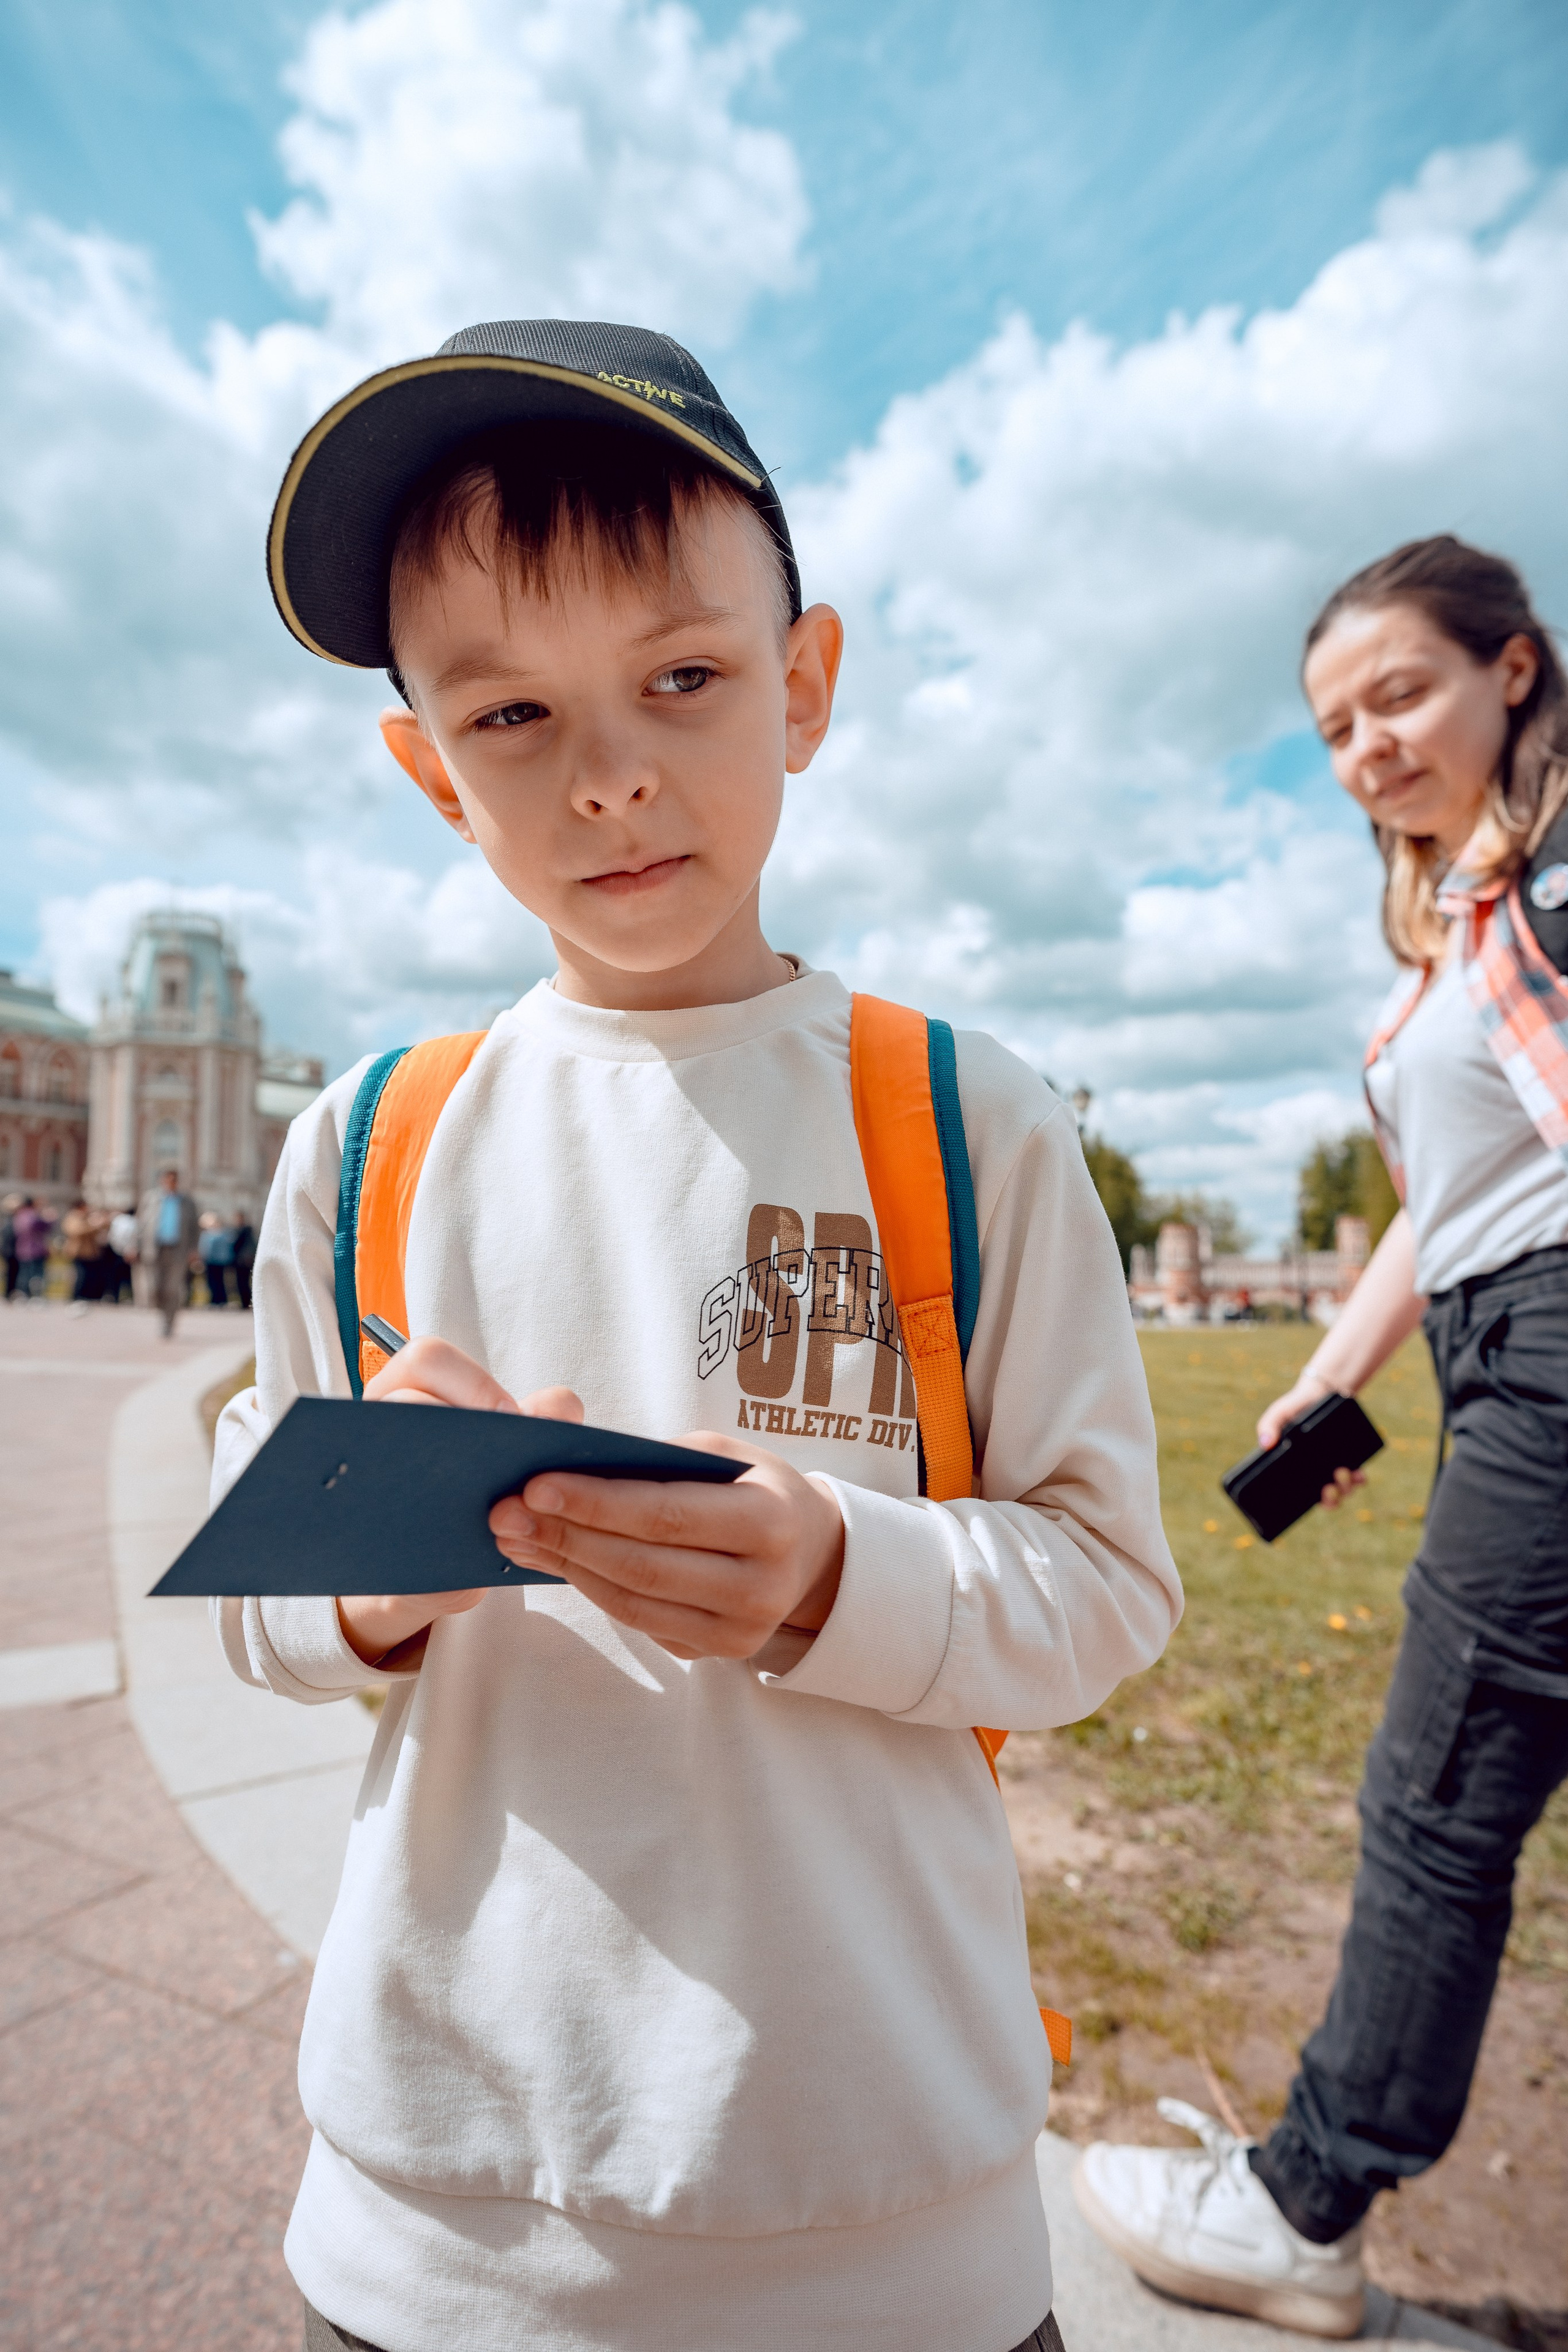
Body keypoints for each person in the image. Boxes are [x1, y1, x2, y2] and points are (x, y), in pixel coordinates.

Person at [213, 318, 1183, 2352]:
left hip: (889, 2219)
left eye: (682, 677)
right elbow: (260, 1597)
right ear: (427, 767)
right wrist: (370, 1585)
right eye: (508, 713)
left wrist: (848, 1568)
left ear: (805, 684)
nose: (612, 772)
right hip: (429, 2228)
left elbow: (1105, 1591)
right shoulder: (364, 1147)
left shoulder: (965, 1118)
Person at [1076, 536, 1568, 2339]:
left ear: (1510, 671)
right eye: (1331, 726)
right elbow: (1453, 1201)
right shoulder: (1463, 907)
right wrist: (1331, 1368)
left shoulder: (1552, 879)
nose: (1362, 744)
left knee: (1435, 1796)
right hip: (1501, 1350)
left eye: (1399, 694)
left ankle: (1303, 2202)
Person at [138, 1167, 199, 1338]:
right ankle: (160, 1310)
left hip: (178, 1251)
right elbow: (141, 1225)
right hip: (154, 1250)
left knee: (172, 1290)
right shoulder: (150, 1199)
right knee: (153, 1288)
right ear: (161, 1181)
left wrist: (194, 1250)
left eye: (174, 1180)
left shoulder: (187, 1202)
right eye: (167, 1179)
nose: (170, 1183)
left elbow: (195, 1228)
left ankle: (168, 1322)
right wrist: (135, 1246)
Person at [12, 1196, 53, 1298]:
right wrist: (49, 1218)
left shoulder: (20, 1215)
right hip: (34, 1250)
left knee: (25, 1273)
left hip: (24, 1250)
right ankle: (34, 1295)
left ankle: (23, 1294)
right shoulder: (30, 1215)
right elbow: (42, 1227)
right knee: (35, 1274)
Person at [199, 1211, 236, 1308]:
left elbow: (206, 1249)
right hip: (218, 1261)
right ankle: (218, 1299)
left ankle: (218, 1299)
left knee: (216, 1282)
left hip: (214, 1261)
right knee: (216, 1281)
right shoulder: (224, 1234)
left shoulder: (214, 1235)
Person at [231, 1211, 255, 1311]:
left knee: (243, 1282)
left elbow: (236, 1245)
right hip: (243, 1260)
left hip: (243, 1260)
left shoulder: (243, 1231)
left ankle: (245, 1303)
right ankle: (245, 1302)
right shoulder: (247, 1231)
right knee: (243, 1282)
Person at [1, 1195, 18, 1301]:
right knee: (11, 1273)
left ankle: (10, 1292)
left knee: (12, 1273)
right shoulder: (10, 1221)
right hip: (10, 1250)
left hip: (10, 1249)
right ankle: (9, 1293)